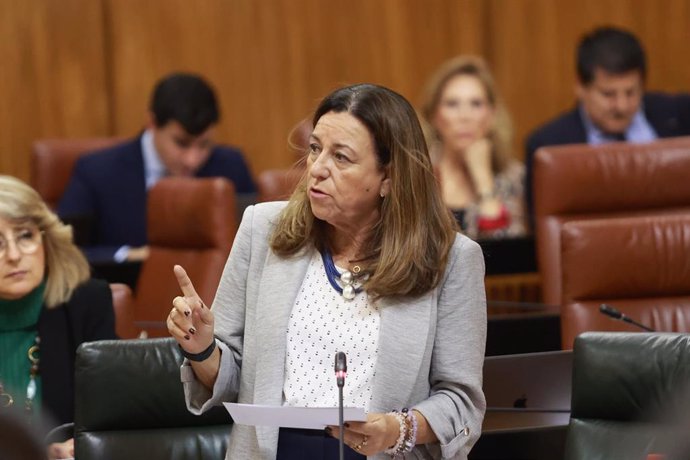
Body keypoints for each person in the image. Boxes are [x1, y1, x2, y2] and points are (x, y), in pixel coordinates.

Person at [168, 83, 487, 459]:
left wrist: (397, 429)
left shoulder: (450, 259)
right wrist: (203, 349)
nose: (317, 169)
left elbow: (461, 402)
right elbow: (234, 381)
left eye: (342, 158)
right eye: (316, 149)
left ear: (389, 177)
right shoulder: (262, 230)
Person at [58, 72, 257, 264]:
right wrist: (129, 256)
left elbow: (254, 244)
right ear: (152, 123)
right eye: (182, 143)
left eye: (204, 144)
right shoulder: (96, 171)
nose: (192, 160)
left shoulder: (231, 165)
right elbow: (65, 252)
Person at [0, 175, 117, 459]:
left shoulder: (85, 304)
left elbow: (112, 416)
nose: (14, 255)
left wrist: (78, 448)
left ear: (45, 239)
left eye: (25, 235)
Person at [525, 26, 690, 222]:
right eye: (608, 94)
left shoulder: (680, 115)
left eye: (631, 92)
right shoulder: (548, 145)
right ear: (580, 87)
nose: (621, 106)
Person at [421, 55, 527, 239]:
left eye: (476, 104)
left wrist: (484, 179)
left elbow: (509, 255)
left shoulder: (514, 176)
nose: (465, 116)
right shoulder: (417, 172)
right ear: (434, 115)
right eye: (452, 104)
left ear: (492, 114)